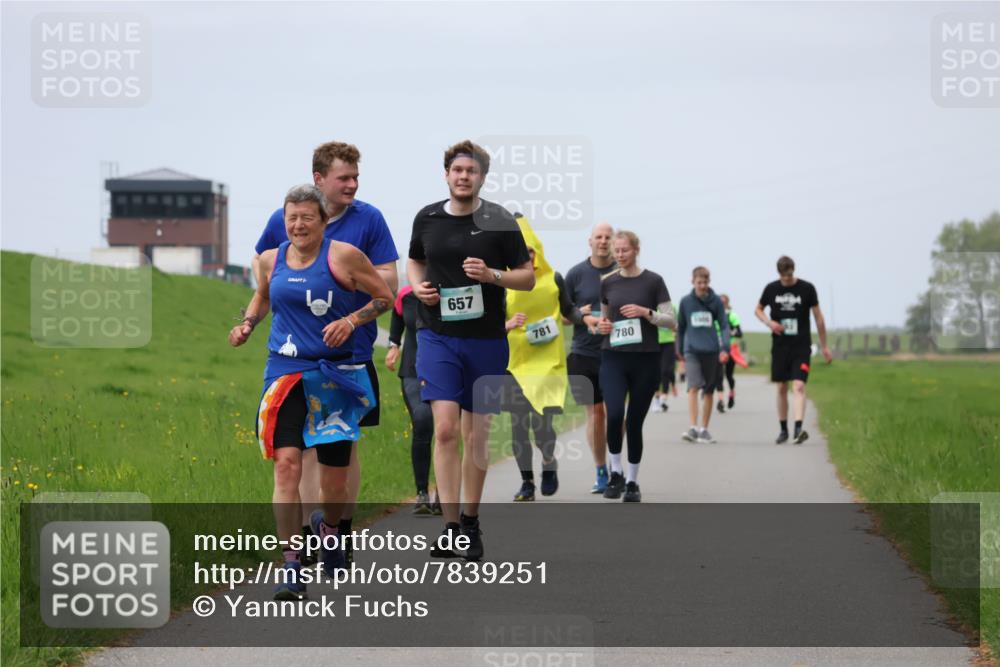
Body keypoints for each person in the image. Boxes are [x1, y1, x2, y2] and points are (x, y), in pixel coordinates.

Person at [229, 185, 393, 600]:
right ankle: (291, 564)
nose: (298, 225)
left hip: (334, 374)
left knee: (333, 483)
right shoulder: (271, 259)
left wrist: (352, 321)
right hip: (284, 372)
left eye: (307, 217)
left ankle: (332, 530)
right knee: (286, 466)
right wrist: (248, 324)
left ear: (322, 220)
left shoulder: (343, 256)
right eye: (292, 218)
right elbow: (264, 294)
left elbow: (384, 297)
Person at [407, 140, 534, 560]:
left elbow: (527, 277)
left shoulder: (499, 220)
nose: (464, 177)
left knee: (475, 433)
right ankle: (449, 527)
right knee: (444, 429)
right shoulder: (426, 217)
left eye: (472, 171)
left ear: (482, 177)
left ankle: (471, 521)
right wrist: (420, 286)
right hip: (437, 334)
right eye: (457, 170)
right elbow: (414, 260)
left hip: (485, 339)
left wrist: (492, 274)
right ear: (446, 174)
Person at [595, 231, 675, 503]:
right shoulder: (607, 282)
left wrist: (646, 313)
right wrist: (601, 326)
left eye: (624, 251)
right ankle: (615, 473)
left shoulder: (654, 281)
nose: (619, 255)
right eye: (616, 251)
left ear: (636, 250)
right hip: (613, 358)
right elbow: (603, 322)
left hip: (645, 359)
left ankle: (632, 481)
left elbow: (671, 320)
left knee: (634, 422)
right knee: (615, 415)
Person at [504, 215, 575, 502]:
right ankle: (526, 483)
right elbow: (489, 321)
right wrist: (506, 325)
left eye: (530, 252)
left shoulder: (554, 279)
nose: (527, 258)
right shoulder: (503, 281)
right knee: (518, 426)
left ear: (538, 251)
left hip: (547, 364)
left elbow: (570, 310)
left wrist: (588, 320)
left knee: (543, 425)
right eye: (521, 253)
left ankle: (548, 461)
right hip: (516, 364)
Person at [754, 255, 833, 444]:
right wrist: (770, 323)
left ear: (794, 270)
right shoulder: (771, 289)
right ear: (779, 273)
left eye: (790, 276)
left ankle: (798, 428)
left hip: (801, 346)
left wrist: (824, 346)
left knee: (798, 385)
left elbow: (819, 318)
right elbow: (758, 310)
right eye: (784, 276)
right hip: (780, 346)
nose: (787, 280)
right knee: (782, 387)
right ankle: (783, 429)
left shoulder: (807, 289)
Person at [563, 223, 617, 493]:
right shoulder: (575, 274)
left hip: (618, 353)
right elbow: (562, 316)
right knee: (596, 414)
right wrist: (581, 315)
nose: (603, 241)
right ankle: (601, 469)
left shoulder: (624, 272)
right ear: (590, 241)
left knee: (616, 414)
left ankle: (617, 465)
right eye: (599, 237)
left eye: (608, 237)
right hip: (584, 354)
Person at [386, 285, 439, 515]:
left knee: (446, 430)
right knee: (423, 420)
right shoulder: (406, 294)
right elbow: (397, 317)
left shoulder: (452, 288)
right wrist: (393, 344)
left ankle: (444, 493)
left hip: (445, 369)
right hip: (412, 368)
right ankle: (422, 493)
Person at [677, 267, 730, 444]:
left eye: (705, 283)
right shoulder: (685, 302)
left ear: (709, 282)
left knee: (708, 390)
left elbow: (723, 325)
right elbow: (681, 327)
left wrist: (725, 348)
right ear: (693, 282)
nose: (702, 286)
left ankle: (704, 429)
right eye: (699, 282)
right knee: (693, 387)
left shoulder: (716, 302)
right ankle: (692, 428)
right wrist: (679, 348)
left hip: (712, 351)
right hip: (691, 350)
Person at [713, 294, 743, 413]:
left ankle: (731, 394)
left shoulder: (732, 315)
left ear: (727, 303)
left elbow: (740, 333)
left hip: (730, 349)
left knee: (729, 375)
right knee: (718, 375)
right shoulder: (714, 315)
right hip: (716, 348)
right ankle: (720, 400)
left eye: (724, 302)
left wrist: (729, 332)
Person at [653, 302, 680, 412]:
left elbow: (676, 325)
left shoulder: (672, 307)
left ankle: (664, 397)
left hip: (668, 342)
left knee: (666, 370)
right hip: (654, 342)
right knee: (655, 371)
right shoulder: (651, 305)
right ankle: (656, 398)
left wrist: (675, 328)